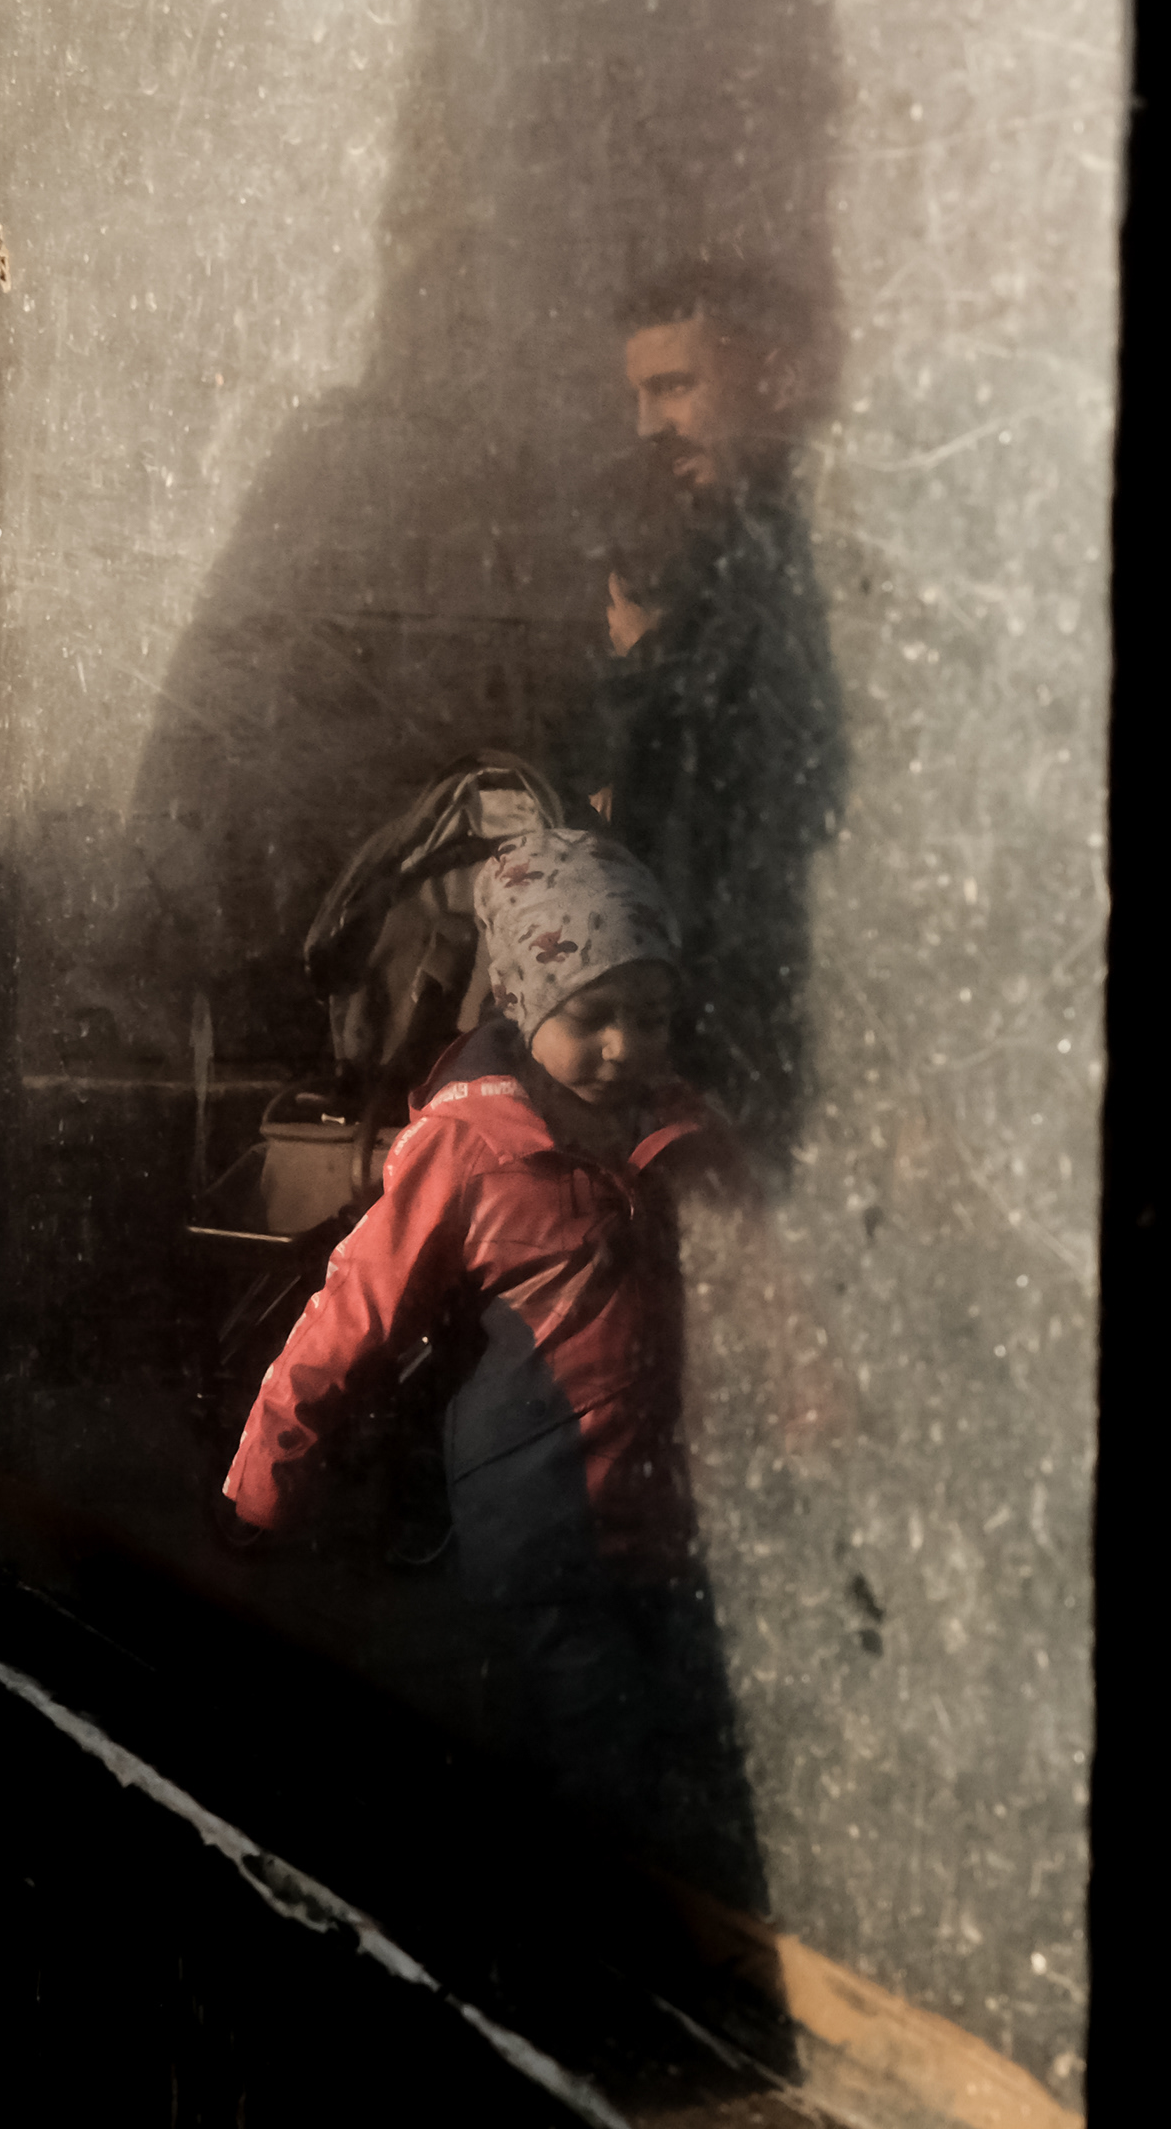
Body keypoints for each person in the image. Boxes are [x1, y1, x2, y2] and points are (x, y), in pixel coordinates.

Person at [224, 827, 764, 1892]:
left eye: (649, 1017)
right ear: (522, 1004)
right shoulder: (467, 1149)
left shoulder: (690, 1134)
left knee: (703, 1744)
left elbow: (764, 1289)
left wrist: (814, 1408)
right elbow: (355, 1310)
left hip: (676, 1519)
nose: (625, 1045)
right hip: (543, 1521)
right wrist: (266, 1469)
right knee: (598, 1764)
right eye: (592, 1017)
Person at [571, 266, 850, 1186]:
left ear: (768, 375)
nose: (649, 424)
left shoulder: (814, 546)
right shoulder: (717, 547)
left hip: (774, 1019)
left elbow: (780, 798)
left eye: (676, 387)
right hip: (711, 1018)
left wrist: (652, 664)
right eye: (637, 396)